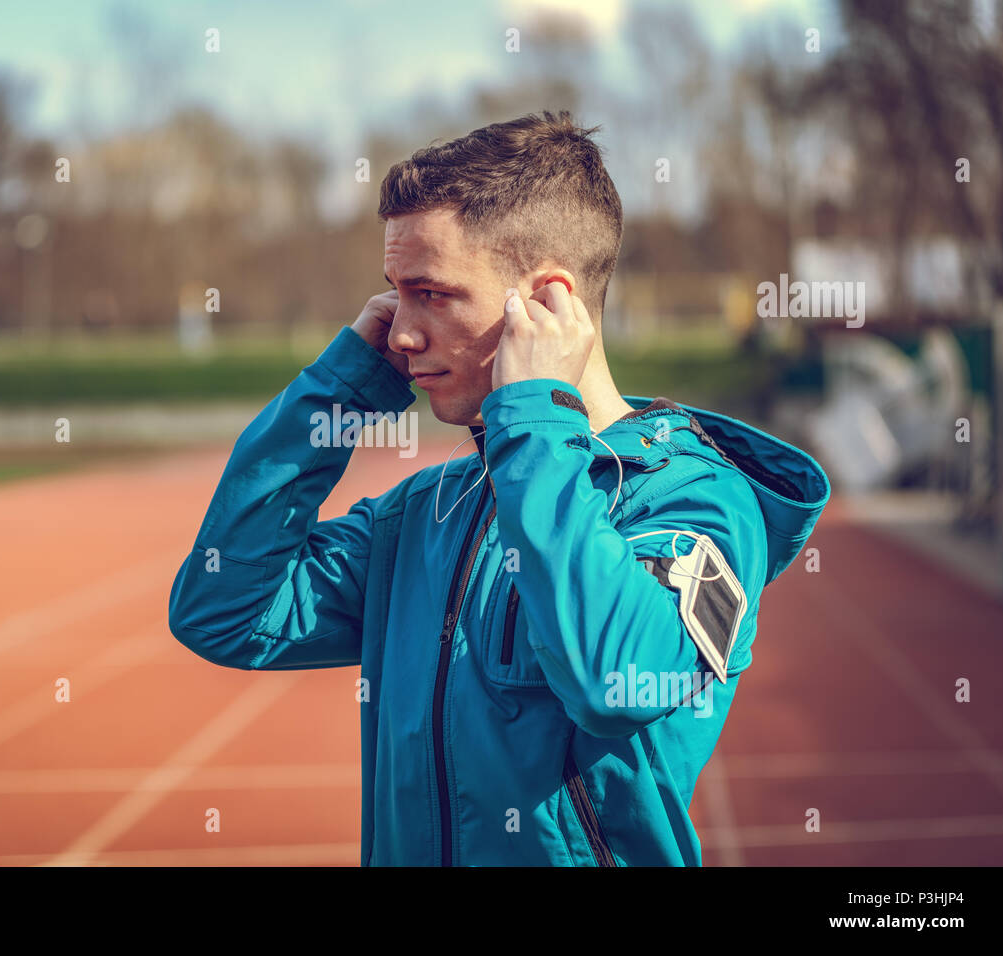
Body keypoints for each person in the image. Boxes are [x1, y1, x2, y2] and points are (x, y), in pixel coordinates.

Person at [169, 111, 830, 866]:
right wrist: (342, 386)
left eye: (432, 294)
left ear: (548, 303)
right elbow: (223, 612)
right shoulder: (425, 512)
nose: (401, 335)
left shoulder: (693, 502)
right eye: (395, 295)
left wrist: (534, 417)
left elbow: (613, 681)